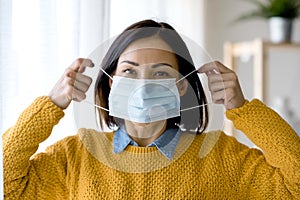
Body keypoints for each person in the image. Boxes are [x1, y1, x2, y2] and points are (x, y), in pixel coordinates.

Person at [3, 19, 300, 199]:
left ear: (181, 86)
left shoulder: (222, 157)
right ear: (110, 83)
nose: (143, 85)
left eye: (160, 73)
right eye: (129, 72)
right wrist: (51, 104)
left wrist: (244, 109)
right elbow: (6, 183)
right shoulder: (74, 156)